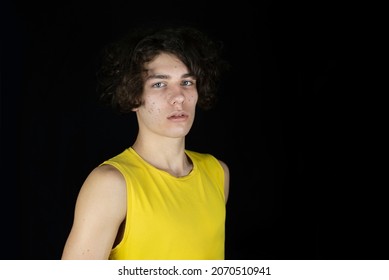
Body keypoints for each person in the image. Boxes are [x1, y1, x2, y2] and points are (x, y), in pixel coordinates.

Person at [61, 25, 230, 260]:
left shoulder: (217, 173)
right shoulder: (111, 184)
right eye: (159, 84)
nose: (179, 96)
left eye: (187, 82)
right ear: (132, 96)